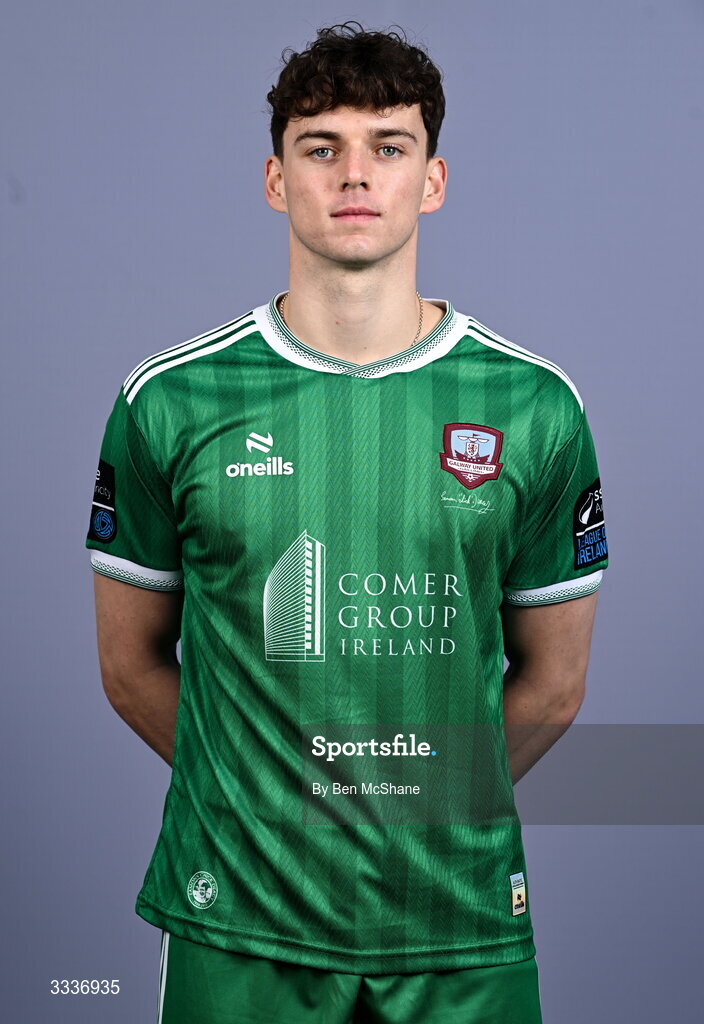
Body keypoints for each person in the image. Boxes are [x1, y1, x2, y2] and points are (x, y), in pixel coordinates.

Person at [85, 21, 608, 1024]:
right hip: (238, 916)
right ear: (276, 180)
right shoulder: (169, 401)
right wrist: (264, 800)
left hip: (453, 922)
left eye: (388, 146)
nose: (354, 175)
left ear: (434, 179)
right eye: (320, 147)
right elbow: (128, 666)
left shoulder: (534, 407)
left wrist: (417, 807)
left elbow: (551, 684)